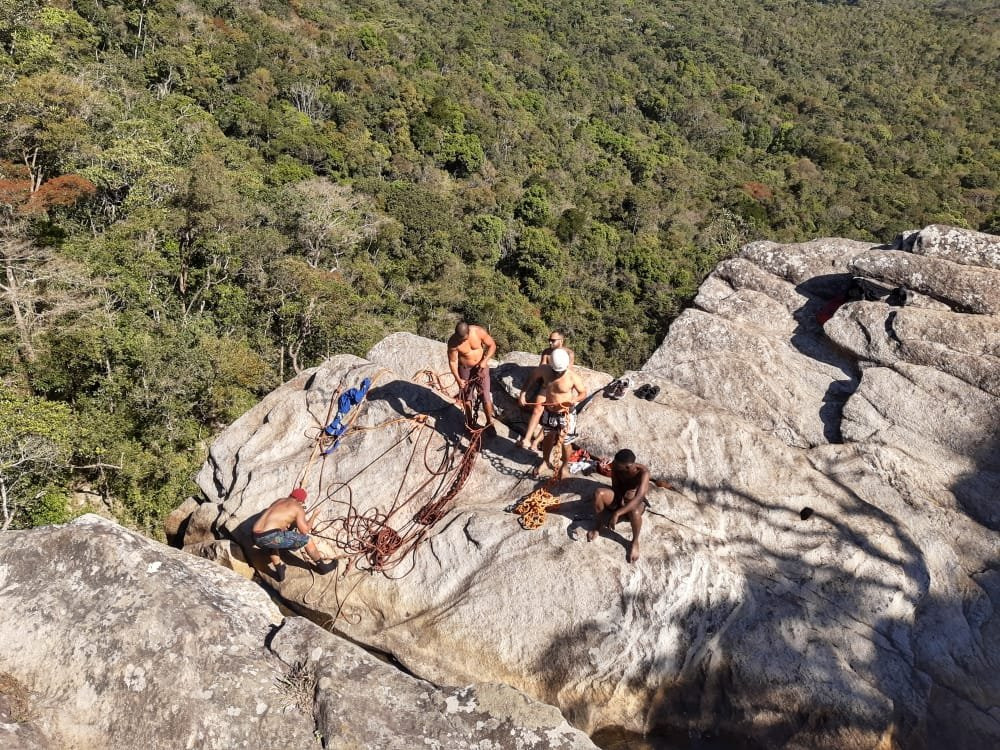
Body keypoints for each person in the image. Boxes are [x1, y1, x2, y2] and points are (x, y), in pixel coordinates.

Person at [252, 488, 335, 580]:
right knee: (307, 540)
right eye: (302, 503)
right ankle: (323, 568)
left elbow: (276, 521)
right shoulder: (298, 508)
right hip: (270, 537)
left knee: (273, 542)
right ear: (301, 501)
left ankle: (280, 574)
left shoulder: (279, 501)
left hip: (256, 536)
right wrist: (314, 515)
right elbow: (305, 531)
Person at [532, 348, 587, 479]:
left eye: (561, 371)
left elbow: (583, 393)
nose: (558, 374)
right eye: (556, 371)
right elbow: (532, 377)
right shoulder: (544, 370)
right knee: (547, 438)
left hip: (566, 414)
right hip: (549, 412)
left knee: (566, 442)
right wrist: (523, 393)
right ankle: (545, 461)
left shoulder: (572, 377)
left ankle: (564, 466)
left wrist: (572, 400)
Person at [587, 449, 649, 563]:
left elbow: (639, 498)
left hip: (635, 502)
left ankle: (634, 541)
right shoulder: (616, 466)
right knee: (598, 493)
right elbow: (615, 486)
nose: (613, 464)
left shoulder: (643, 473)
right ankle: (599, 525)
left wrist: (617, 513)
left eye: (617, 464)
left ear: (628, 467)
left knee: (634, 512)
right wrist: (619, 500)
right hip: (619, 497)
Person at [517, 331, 576, 450]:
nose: (550, 342)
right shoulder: (546, 353)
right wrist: (523, 393)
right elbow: (539, 371)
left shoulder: (568, 354)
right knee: (537, 409)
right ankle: (527, 439)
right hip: (545, 386)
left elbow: (566, 373)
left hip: (559, 390)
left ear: (561, 341)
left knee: (553, 415)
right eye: (549, 339)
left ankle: (536, 442)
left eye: (553, 340)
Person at [447, 321, 497, 427]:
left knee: (485, 396)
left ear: (468, 332)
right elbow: (452, 362)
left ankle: (489, 423)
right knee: (467, 396)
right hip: (465, 368)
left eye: (464, 339)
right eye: (460, 340)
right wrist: (458, 380)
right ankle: (469, 422)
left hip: (481, 367)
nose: (461, 342)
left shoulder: (478, 332)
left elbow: (492, 345)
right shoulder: (453, 342)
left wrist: (485, 361)